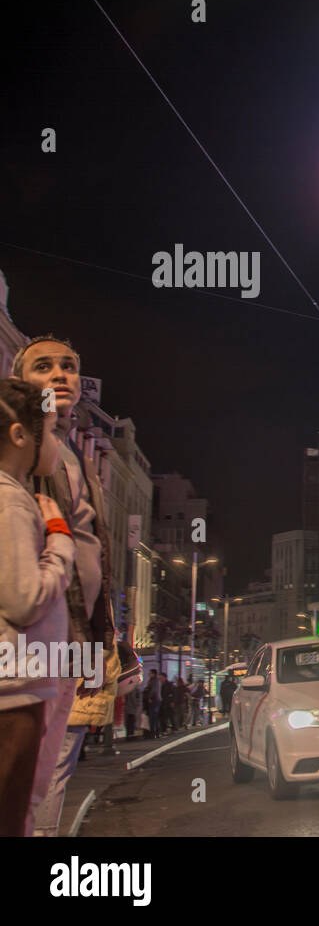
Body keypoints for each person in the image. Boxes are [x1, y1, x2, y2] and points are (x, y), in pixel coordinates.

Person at [15, 337, 118, 837]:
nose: (61, 375)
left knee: (60, 754)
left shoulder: (73, 451)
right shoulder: (19, 445)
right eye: (45, 367)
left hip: (76, 630)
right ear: (19, 382)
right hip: (33, 633)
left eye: (70, 367)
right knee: (32, 763)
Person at [0, 378, 75, 836]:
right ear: (19, 436)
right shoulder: (10, 501)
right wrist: (60, 541)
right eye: (47, 431)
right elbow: (25, 598)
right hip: (13, 693)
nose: (54, 443)